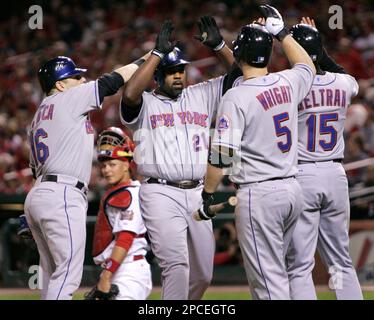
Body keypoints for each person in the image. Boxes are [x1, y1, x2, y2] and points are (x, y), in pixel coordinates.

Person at [198, 5, 316, 300]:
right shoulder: (287, 81)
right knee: (285, 273)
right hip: (292, 189)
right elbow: (307, 66)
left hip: (260, 194)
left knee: (268, 284)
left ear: (239, 55)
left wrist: (207, 194)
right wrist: (282, 33)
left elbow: (222, 154)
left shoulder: (236, 95)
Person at [120, 17, 236, 300]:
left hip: (197, 192)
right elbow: (130, 93)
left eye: (181, 70)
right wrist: (156, 55)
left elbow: (240, 74)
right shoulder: (146, 102)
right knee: (177, 265)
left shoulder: (201, 94)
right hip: (159, 191)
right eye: (171, 71)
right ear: (157, 76)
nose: (178, 76)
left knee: (204, 274)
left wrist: (220, 46)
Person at [23, 52, 149, 300]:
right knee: (68, 272)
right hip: (63, 195)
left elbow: (34, 169)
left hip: (40, 192)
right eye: (75, 77)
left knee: (51, 275)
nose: (82, 81)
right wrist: (148, 58)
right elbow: (111, 82)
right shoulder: (66, 98)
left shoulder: (39, 115)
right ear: (60, 84)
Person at [286, 17, 363, 300]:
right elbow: (337, 69)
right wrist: (315, 40)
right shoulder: (344, 83)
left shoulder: (290, 87)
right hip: (335, 174)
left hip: (303, 174)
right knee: (341, 260)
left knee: (300, 264)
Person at [91, 127, 152, 300]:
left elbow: (125, 238)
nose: (106, 170)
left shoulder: (130, 193)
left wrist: (106, 275)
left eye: (112, 164)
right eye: (104, 165)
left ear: (126, 165)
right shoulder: (122, 191)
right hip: (120, 266)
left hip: (129, 270)